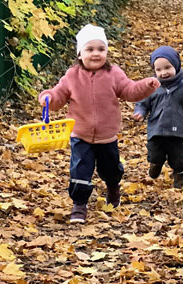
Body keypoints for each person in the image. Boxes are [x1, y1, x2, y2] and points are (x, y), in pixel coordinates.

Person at [38, 24, 159, 224]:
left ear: (107, 52)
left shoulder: (114, 74)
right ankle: (79, 205)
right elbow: (59, 94)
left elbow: (129, 90)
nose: (96, 54)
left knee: (110, 168)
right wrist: (48, 97)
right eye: (90, 49)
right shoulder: (71, 76)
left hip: (107, 134)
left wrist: (146, 86)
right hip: (80, 133)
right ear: (79, 53)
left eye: (101, 49)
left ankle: (113, 188)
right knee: (80, 170)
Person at [133, 46, 183, 188]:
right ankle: (155, 163)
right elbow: (143, 102)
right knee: (156, 153)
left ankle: (180, 176)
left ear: (176, 65)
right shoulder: (152, 86)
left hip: (177, 129)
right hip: (156, 129)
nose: (163, 73)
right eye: (159, 70)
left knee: (178, 157)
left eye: (167, 67)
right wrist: (140, 112)